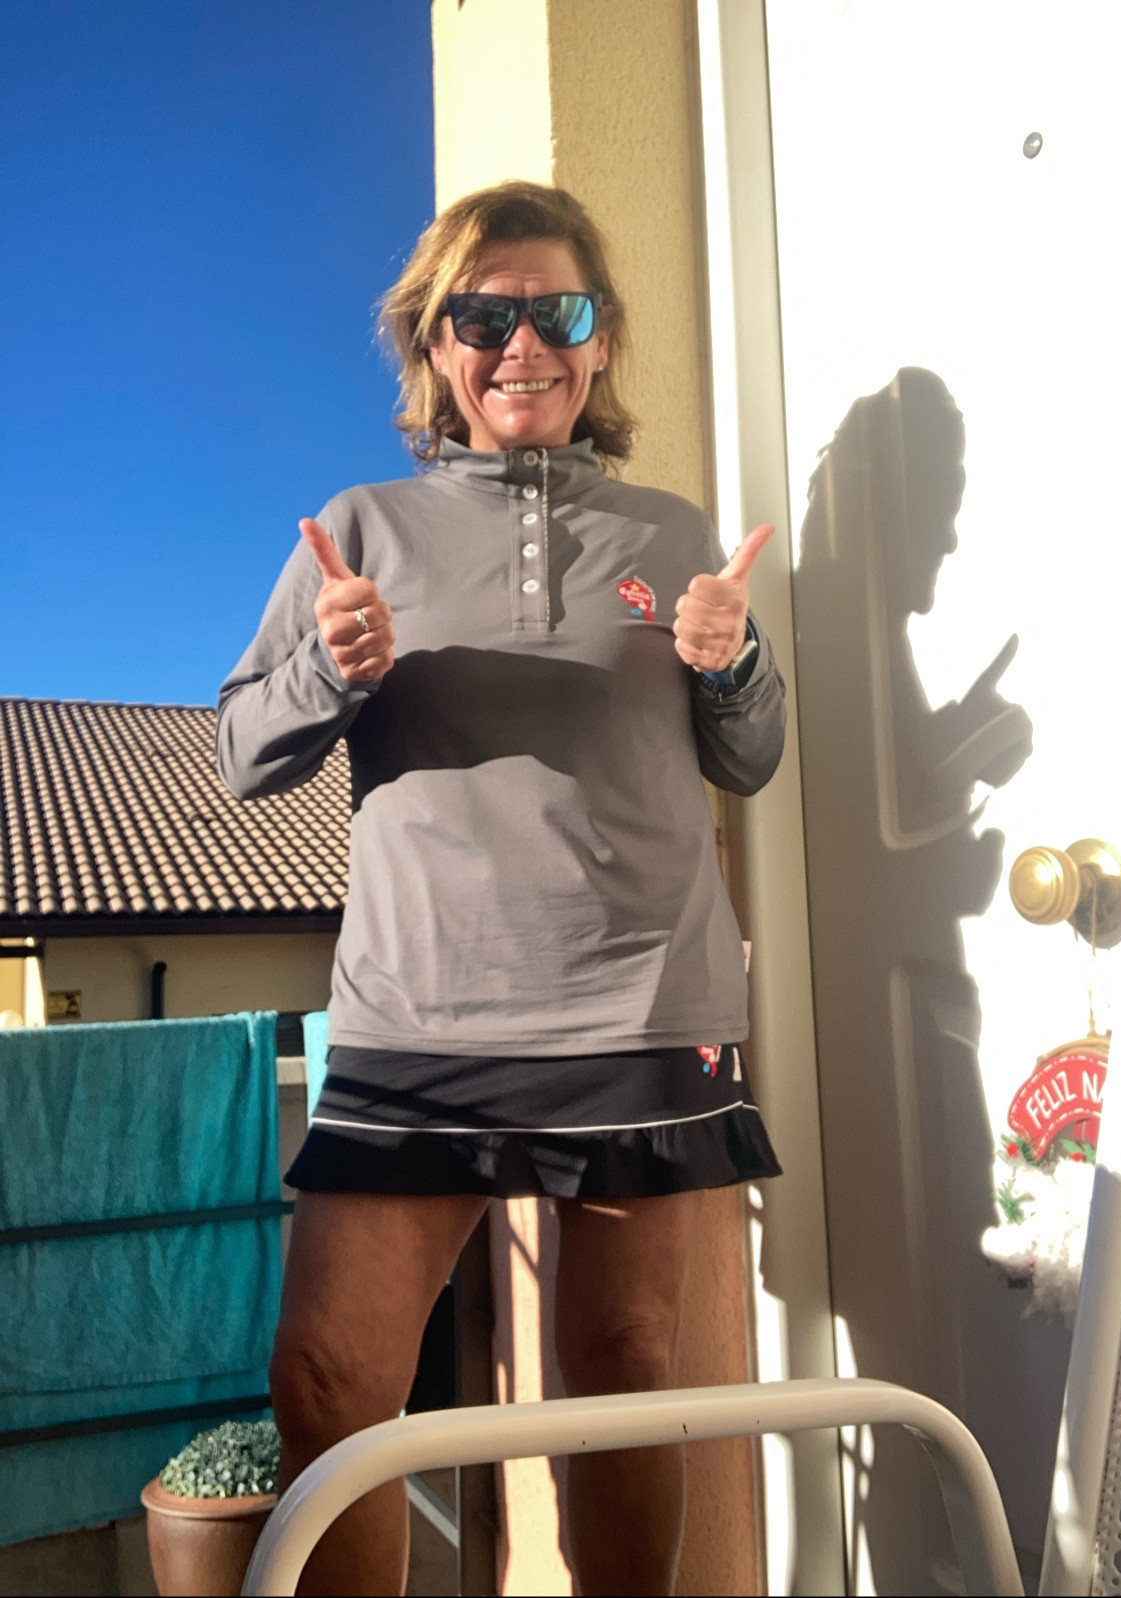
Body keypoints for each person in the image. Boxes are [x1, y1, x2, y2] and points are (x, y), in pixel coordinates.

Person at [216, 180, 785, 1597]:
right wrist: (328, 667)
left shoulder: (671, 532)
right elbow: (242, 755)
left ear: (600, 342)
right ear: (435, 345)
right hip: (417, 1019)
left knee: (627, 1369)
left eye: (557, 312)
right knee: (329, 1376)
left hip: (641, 1012)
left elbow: (752, 758)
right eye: (482, 316)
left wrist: (733, 663)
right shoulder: (361, 528)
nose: (522, 343)